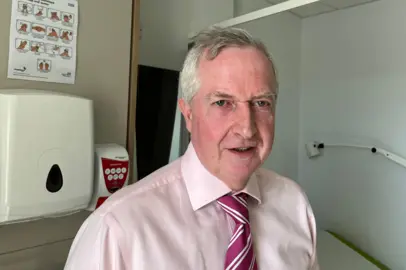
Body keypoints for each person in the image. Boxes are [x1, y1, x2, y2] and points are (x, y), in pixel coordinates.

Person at [64, 26, 320, 270]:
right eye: (222, 103)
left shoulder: (294, 204)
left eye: (261, 103)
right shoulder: (116, 228)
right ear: (187, 114)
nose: (247, 129)